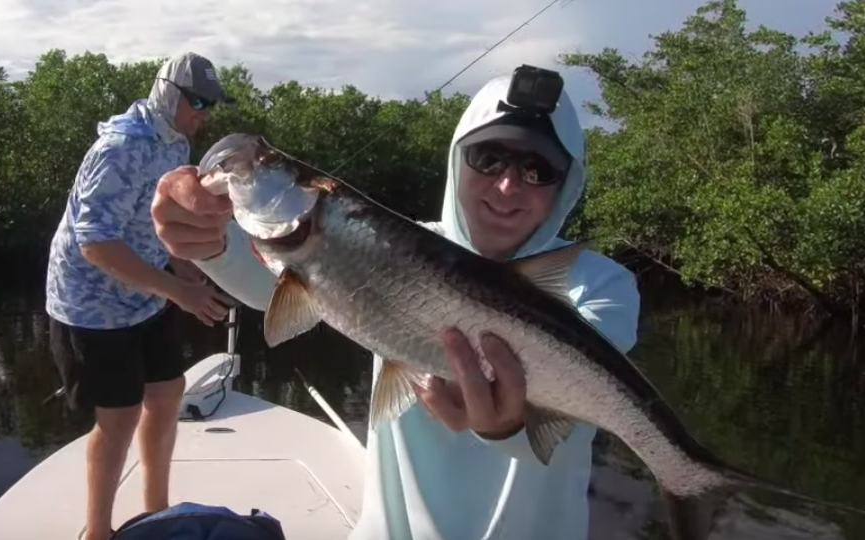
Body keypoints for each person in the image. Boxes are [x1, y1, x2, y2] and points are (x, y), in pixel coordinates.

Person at [149, 67, 641, 540]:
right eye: (488, 158)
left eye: (537, 169)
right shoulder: (391, 243)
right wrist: (206, 241)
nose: (507, 185)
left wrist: (508, 427)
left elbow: (582, 398)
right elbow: (270, 288)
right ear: (457, 159)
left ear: (566, 184)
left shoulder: (599, 285)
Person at [44, 52, 236, 540]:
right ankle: (99, 533)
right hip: (91, 306)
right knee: (120, 416)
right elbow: (95, 242)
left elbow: (167, 229)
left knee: (168, 392)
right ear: (169, 92)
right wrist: (176, 289)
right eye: (197, 101)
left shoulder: (177, 146)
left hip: (147, 293)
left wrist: (189, 276)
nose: (204, 112)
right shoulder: (119, 148)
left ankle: (157, 512)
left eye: (211, 103)